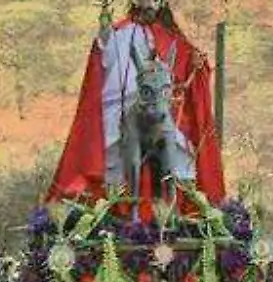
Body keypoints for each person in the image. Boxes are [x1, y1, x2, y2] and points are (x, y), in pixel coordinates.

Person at [47, 0, 224, 219]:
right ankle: (119, 212)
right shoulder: (120, 33)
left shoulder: (174, 37)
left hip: (163, 109)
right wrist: (103, 36)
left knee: (178, 149)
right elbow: (104, 58)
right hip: (122, 106)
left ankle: (173, 213)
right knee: (116, 146)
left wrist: (198, 65)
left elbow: (188, 67)